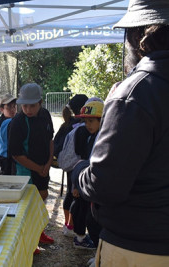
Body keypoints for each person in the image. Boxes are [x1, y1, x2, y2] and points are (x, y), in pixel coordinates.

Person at [76, 0, 169, 265]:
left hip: (140, 249)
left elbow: (103, 185)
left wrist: (79, 171)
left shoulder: (137, 92)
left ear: (137, 36)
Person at [8, 83, 55, 252]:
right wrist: (37, 168)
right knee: (26, 206)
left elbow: (50, 139)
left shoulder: (45, 115)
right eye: (24, 105)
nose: (28, 109)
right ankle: (29, 240)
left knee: (42, 196)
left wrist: (49, 162)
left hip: (43, 167)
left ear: (40, 103)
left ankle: (39, 232)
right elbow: (16, 154)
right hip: (25, 170)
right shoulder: (17, 122)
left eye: (32, 105)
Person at [67, 99, 104, 250]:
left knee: (95, 221)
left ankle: (99, 253)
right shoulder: (89, 137)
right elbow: (84, 162)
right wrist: (77, 184)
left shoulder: (103, 139)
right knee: (87, 217)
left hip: (98, 188)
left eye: (91, 121)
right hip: (88, 184)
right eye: (86, 121)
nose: (87, 125)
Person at [53, 94, 88, 237]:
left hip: (68, 165)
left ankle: (67, 224)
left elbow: (56, 143)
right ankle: (71, 226)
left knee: (69, 193)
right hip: (79, 165)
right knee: (76, 195)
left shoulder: (67, 123)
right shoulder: (83, 125)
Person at [0, 93, 17, 175]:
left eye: (14, 106)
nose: (12, 109)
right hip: (4, 159)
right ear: (1, 109)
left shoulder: (17, 120)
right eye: (9, 107)